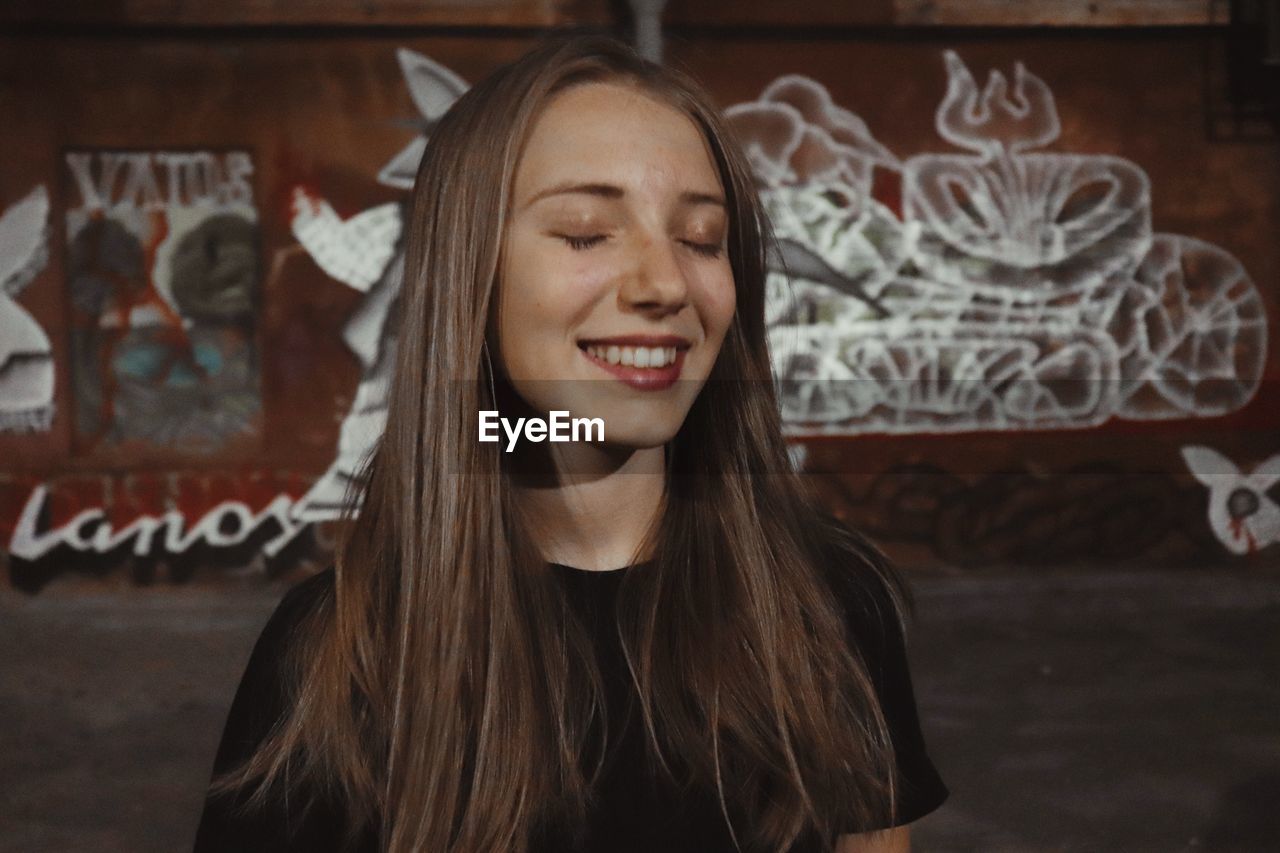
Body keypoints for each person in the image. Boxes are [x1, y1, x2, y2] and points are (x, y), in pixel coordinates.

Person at [193, 32, 948, 853]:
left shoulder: (831, 605)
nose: (664, 284)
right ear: (470, 273)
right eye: (586, 233)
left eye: (701, 239)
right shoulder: (336, 659)